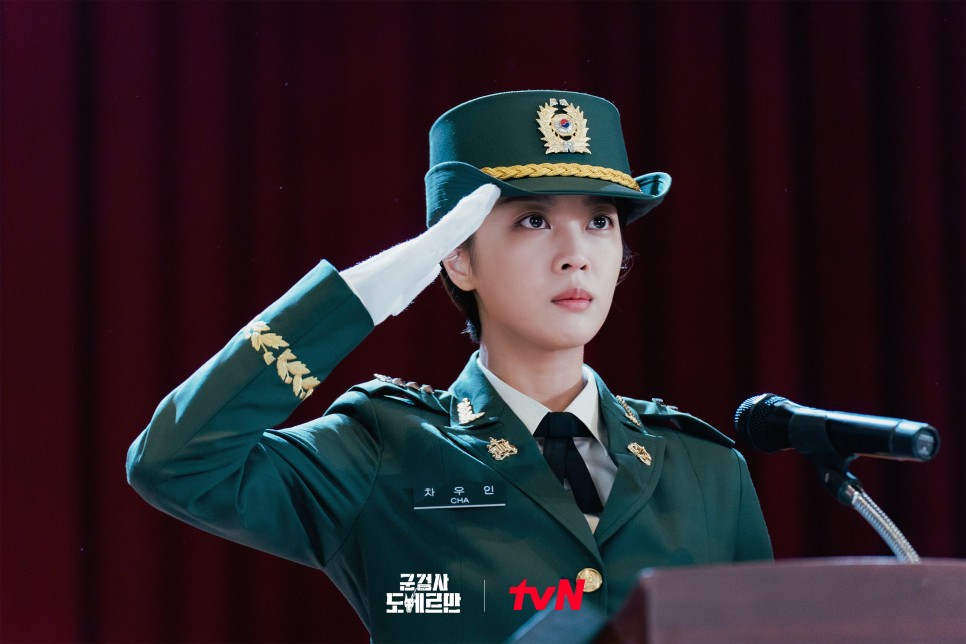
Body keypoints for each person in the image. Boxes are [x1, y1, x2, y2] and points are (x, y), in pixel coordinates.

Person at [127, 90, 772, 642]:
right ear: (457, 256)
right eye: (534, 220)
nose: (577, 254)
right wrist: (360, 296)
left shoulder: (705, 470)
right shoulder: (383, 449)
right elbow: (175, 463)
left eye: (600, 220)